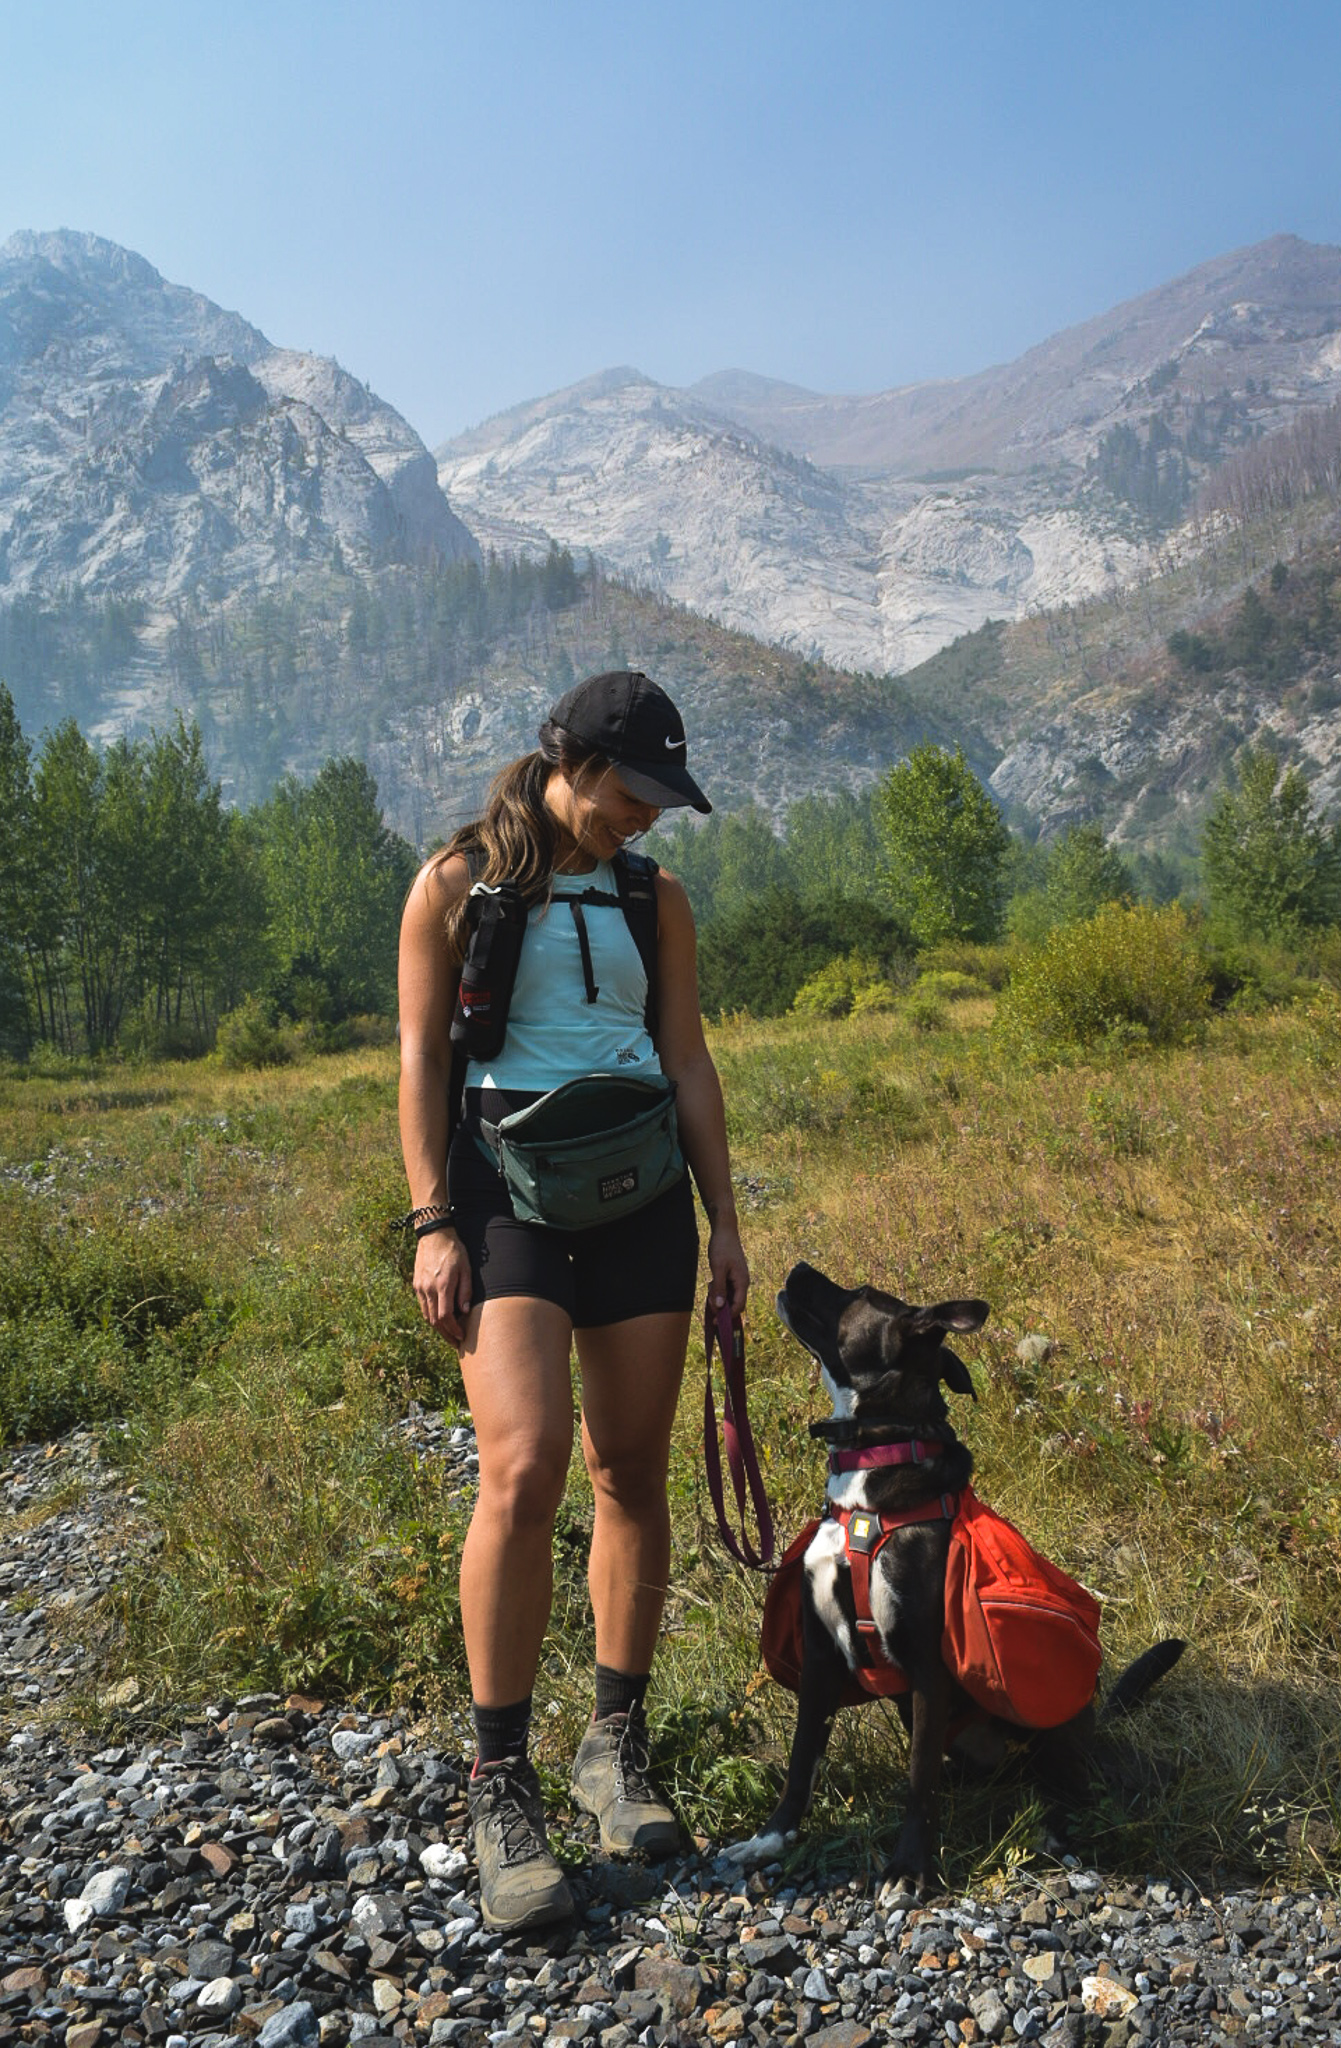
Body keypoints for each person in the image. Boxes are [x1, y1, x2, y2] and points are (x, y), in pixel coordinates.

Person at [397, 670, 750, 1935]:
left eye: (660, 800)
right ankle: (501, 1783)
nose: (642, 818)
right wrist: (434, 1220)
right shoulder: (454, 885)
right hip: (504, 1197)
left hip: (645, 1197)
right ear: (566, 759)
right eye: (628, 792)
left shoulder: (658, 900)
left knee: (632, 1474)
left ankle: (614, 1745)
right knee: (523, 1466)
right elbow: (420, 1057)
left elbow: (688, 1055)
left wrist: (724, 1225)